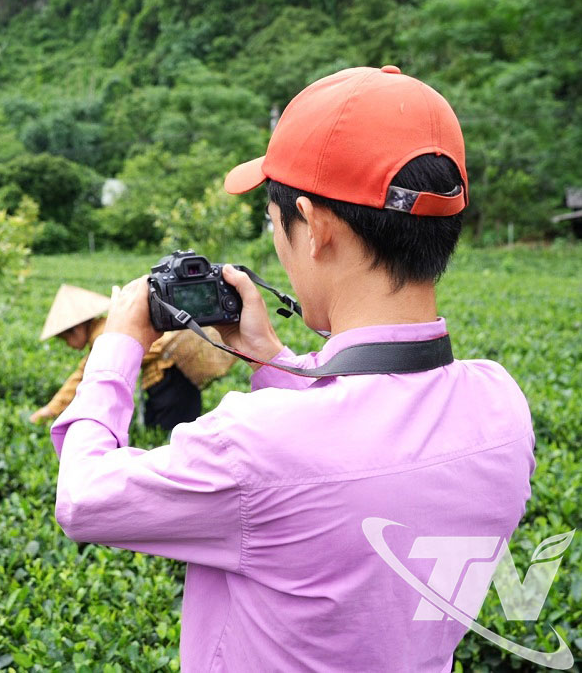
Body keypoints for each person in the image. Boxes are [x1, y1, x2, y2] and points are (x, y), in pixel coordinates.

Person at [50, 66, 535, 671]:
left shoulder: (253, 445)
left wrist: (118, 343)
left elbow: (84, 498)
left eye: (274, 222)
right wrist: (275, 361)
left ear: (318, 227)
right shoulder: (501, 409)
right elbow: (356, 451)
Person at [30, 284, 233, 431]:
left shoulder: (106, 334)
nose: (70, 346)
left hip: (172, 387)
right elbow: (84, 371)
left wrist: (50, 411)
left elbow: (84, 373)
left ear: (76, 329)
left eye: (67, 340)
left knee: (172, 444)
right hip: (171, 386)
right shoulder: (105, 331)